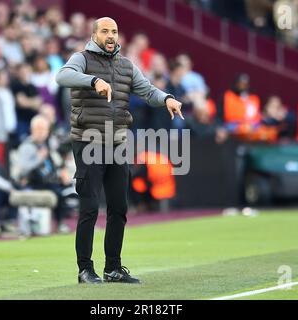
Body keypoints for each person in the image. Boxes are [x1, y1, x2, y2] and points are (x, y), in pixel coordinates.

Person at [56, 17, 183, 284]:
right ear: (95, 35)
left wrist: (168, 99)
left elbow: (148, 91)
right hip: (88, 141)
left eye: (114, 31)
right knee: (90, 207)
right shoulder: (82, 58)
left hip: (116, 143)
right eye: (105, 31)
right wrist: (93, 82)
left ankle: (113, 268)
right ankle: (84, 269)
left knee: (118, 207)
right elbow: (62, 76)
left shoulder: (126, 65)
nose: (111, 35)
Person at [16, 115, 71, 233]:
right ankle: (59, 222)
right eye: (38, 129)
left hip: (50, 180)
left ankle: (61, 223)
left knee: (67, 188)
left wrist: (63, 171)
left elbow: (57, 162)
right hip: (33, 182)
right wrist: (38, 158)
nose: (41, 132)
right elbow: (23, 170)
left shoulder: (49, 145)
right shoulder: (27, 146)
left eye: (43, 129)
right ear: (32, 130)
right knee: (57, 191)